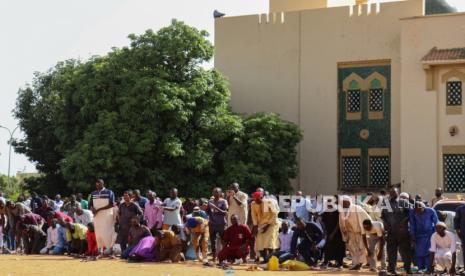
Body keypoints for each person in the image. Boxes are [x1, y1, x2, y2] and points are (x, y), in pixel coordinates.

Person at [381, 187, 413, 275]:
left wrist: (405, 221)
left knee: (405, 251)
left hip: (402, 232)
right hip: (391, 231)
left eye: (394, 192)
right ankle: (392, 269)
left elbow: (412, 213)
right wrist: (385, 224)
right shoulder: (386, 203)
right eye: (391, 192)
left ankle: (408, 269)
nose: (392, 194)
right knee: (391, 251)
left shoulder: (403, 202)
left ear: (398, 193)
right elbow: (383, 216)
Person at [339, 195, 372, 270]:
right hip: (350, 233)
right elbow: (341, 223)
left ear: (348, 201)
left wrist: (365, 230)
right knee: (352, 248)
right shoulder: (342, 211)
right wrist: (344, 233)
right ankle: (356, 263)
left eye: (344, 202)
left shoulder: (357, 208)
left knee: (361, 248)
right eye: (342, 203)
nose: (343, 204)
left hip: (359, 232)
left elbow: (367, 218)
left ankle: (360, 263)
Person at [89, 179, 117, 256]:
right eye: (96, 185)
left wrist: (99, 209)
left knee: (108, 232)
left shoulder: (109, 192)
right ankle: (100, 250)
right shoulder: (93, 193)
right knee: (98, 233)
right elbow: (90, 204)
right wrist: (93, 209)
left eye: (99, 184)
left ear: (103, 184)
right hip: (97, 217)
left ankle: (111, 250)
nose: (97, 186)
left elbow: (112, 204)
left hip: (107, 216)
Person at [409, 201, 438, 272]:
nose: (418, 212)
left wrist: (435, 234)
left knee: (429, 252)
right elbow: (412, 224)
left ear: (423, 207)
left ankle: (429, 268)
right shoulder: (413, 212)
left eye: (420, 210)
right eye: (416, 210)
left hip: (430, 235)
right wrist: (412, 235)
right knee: (419, 253)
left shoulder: (430, 211)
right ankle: (420, 268)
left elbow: (436, 222)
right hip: (418, 235)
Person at [251, 191, 279, 263]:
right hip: (261, 224)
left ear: (261, 197)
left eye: (257, 199)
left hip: (271, 224)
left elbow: (274, 214)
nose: (256, 201)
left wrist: (267, 225)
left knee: (269, 243)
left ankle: (271, 260)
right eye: (254, 199)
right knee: (259, 242)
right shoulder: (253, 204)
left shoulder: (267, 203)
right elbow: (254, 216)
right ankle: (265, 260)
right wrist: (255, 226)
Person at [321, 196, 346, 269]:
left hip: (338, 233)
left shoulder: (337, 211)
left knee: (339, 248)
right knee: (328, 248)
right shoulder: (326, 211)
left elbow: (339, 223)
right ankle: (326, 262)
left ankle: (340, 263)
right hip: (329, 233)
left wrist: (333, 233)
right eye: (327, 202)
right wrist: (325, 231)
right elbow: (323, 222)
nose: (328, 204)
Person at [207, 187, 228, 261]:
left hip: (221, 224)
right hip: (212, 224)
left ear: (220, 193)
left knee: (223, 240)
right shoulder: (210, 201)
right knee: (213, 241)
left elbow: (224, 212)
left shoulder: (224, 201)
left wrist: (215, 208)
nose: (215, 193)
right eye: (214, 192)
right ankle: (214, 256)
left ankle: (224, 256)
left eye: (217, 192)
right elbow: (208, 212)